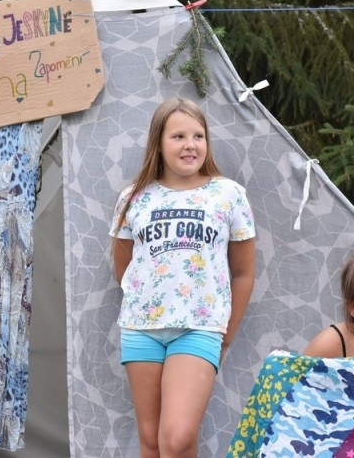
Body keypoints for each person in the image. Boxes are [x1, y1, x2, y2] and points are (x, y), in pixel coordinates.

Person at [109, 97, 256, 458]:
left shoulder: (229, 194)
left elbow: (243, 273)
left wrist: (225, 334)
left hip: (200, 328)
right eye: (178, 137)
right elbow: (124, 266)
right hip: (141, 328)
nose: (190, 145)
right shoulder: (133, 197)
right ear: (158, 144)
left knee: (176, 438)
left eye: (198, 136)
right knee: (150, 440)